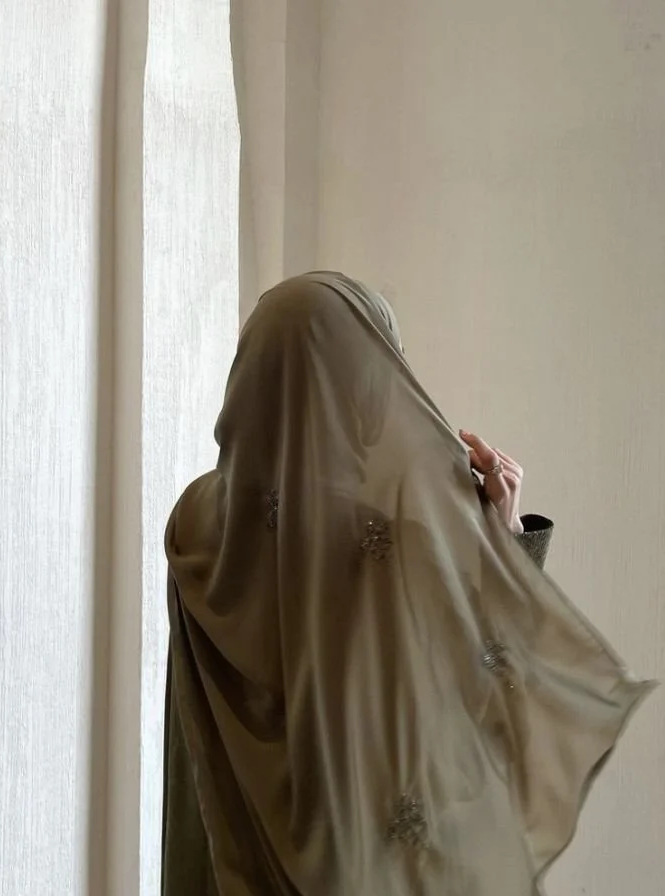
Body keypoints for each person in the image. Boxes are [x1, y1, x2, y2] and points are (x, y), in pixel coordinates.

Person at [161, 272, 654, 895]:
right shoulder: (381, 543)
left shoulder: (195, 524)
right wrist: (502, 543)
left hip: (219, 870)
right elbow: (478, 717)